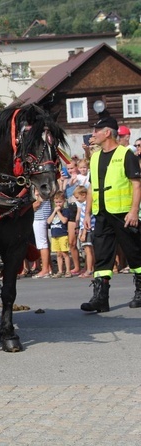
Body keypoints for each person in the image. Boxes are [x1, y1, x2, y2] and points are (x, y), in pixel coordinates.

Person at [80, 116, 141, 313]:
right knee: (102, 256)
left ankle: (140, 291)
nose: (93, 134)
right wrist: (87, 213)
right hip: (102, 214)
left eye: (96, 130)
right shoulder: (95, 157)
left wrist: (133, 211)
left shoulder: (126, 154)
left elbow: (137, 184)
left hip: (124, 214)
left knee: (134, 253)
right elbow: (91, 188)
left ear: (107, 132)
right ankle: (101, 298)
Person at [47, 191, 72, 278]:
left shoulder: (65, 211)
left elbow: (64, 221)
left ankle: (68, 270)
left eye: (60, 202)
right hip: (54, 235)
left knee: (65, 253)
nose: (58, 204)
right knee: (58, 254)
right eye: (56, 202)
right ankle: (60, 270)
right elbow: (49, 221)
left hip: (63, 234)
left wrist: (58, 212)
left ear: (64, 201)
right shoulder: (52, 211)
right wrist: (54, 212)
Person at [74, 186, 95, 278]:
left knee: (88, 251)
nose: (77, 200)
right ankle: (92, 268)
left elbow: (87, 221)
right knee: (91, 251)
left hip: (88, 230)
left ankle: (89, 270)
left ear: (84, 195)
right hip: (89, 229)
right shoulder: (86, 205)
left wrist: (84, 233)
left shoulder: (87, 205)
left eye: (77, 197)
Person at [31, 193, 53, 278]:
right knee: (44, 242)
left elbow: (37, 203)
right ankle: (49, 268)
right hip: (42, 215)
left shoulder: (39, 188)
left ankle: (45, 270)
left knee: (42, 244)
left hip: (40, 216)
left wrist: (29, 209)